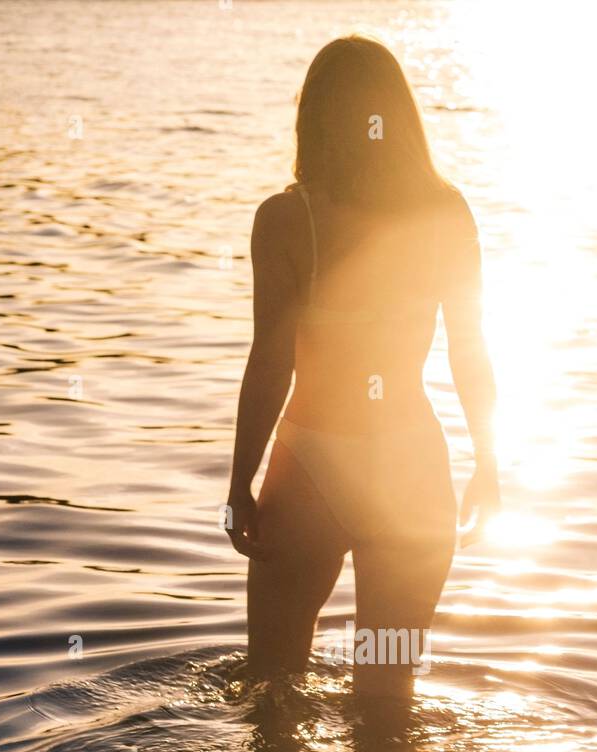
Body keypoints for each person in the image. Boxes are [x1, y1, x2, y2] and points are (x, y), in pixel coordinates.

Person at [224, 35, 499, 694]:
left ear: (311, 118)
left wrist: (240, 484)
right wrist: (487, 464)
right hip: (411, 469)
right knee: (387, 702)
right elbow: (469, 348)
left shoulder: (285, 220)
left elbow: (269, 364)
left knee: (271, 692)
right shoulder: (444, 212)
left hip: (310, 466)